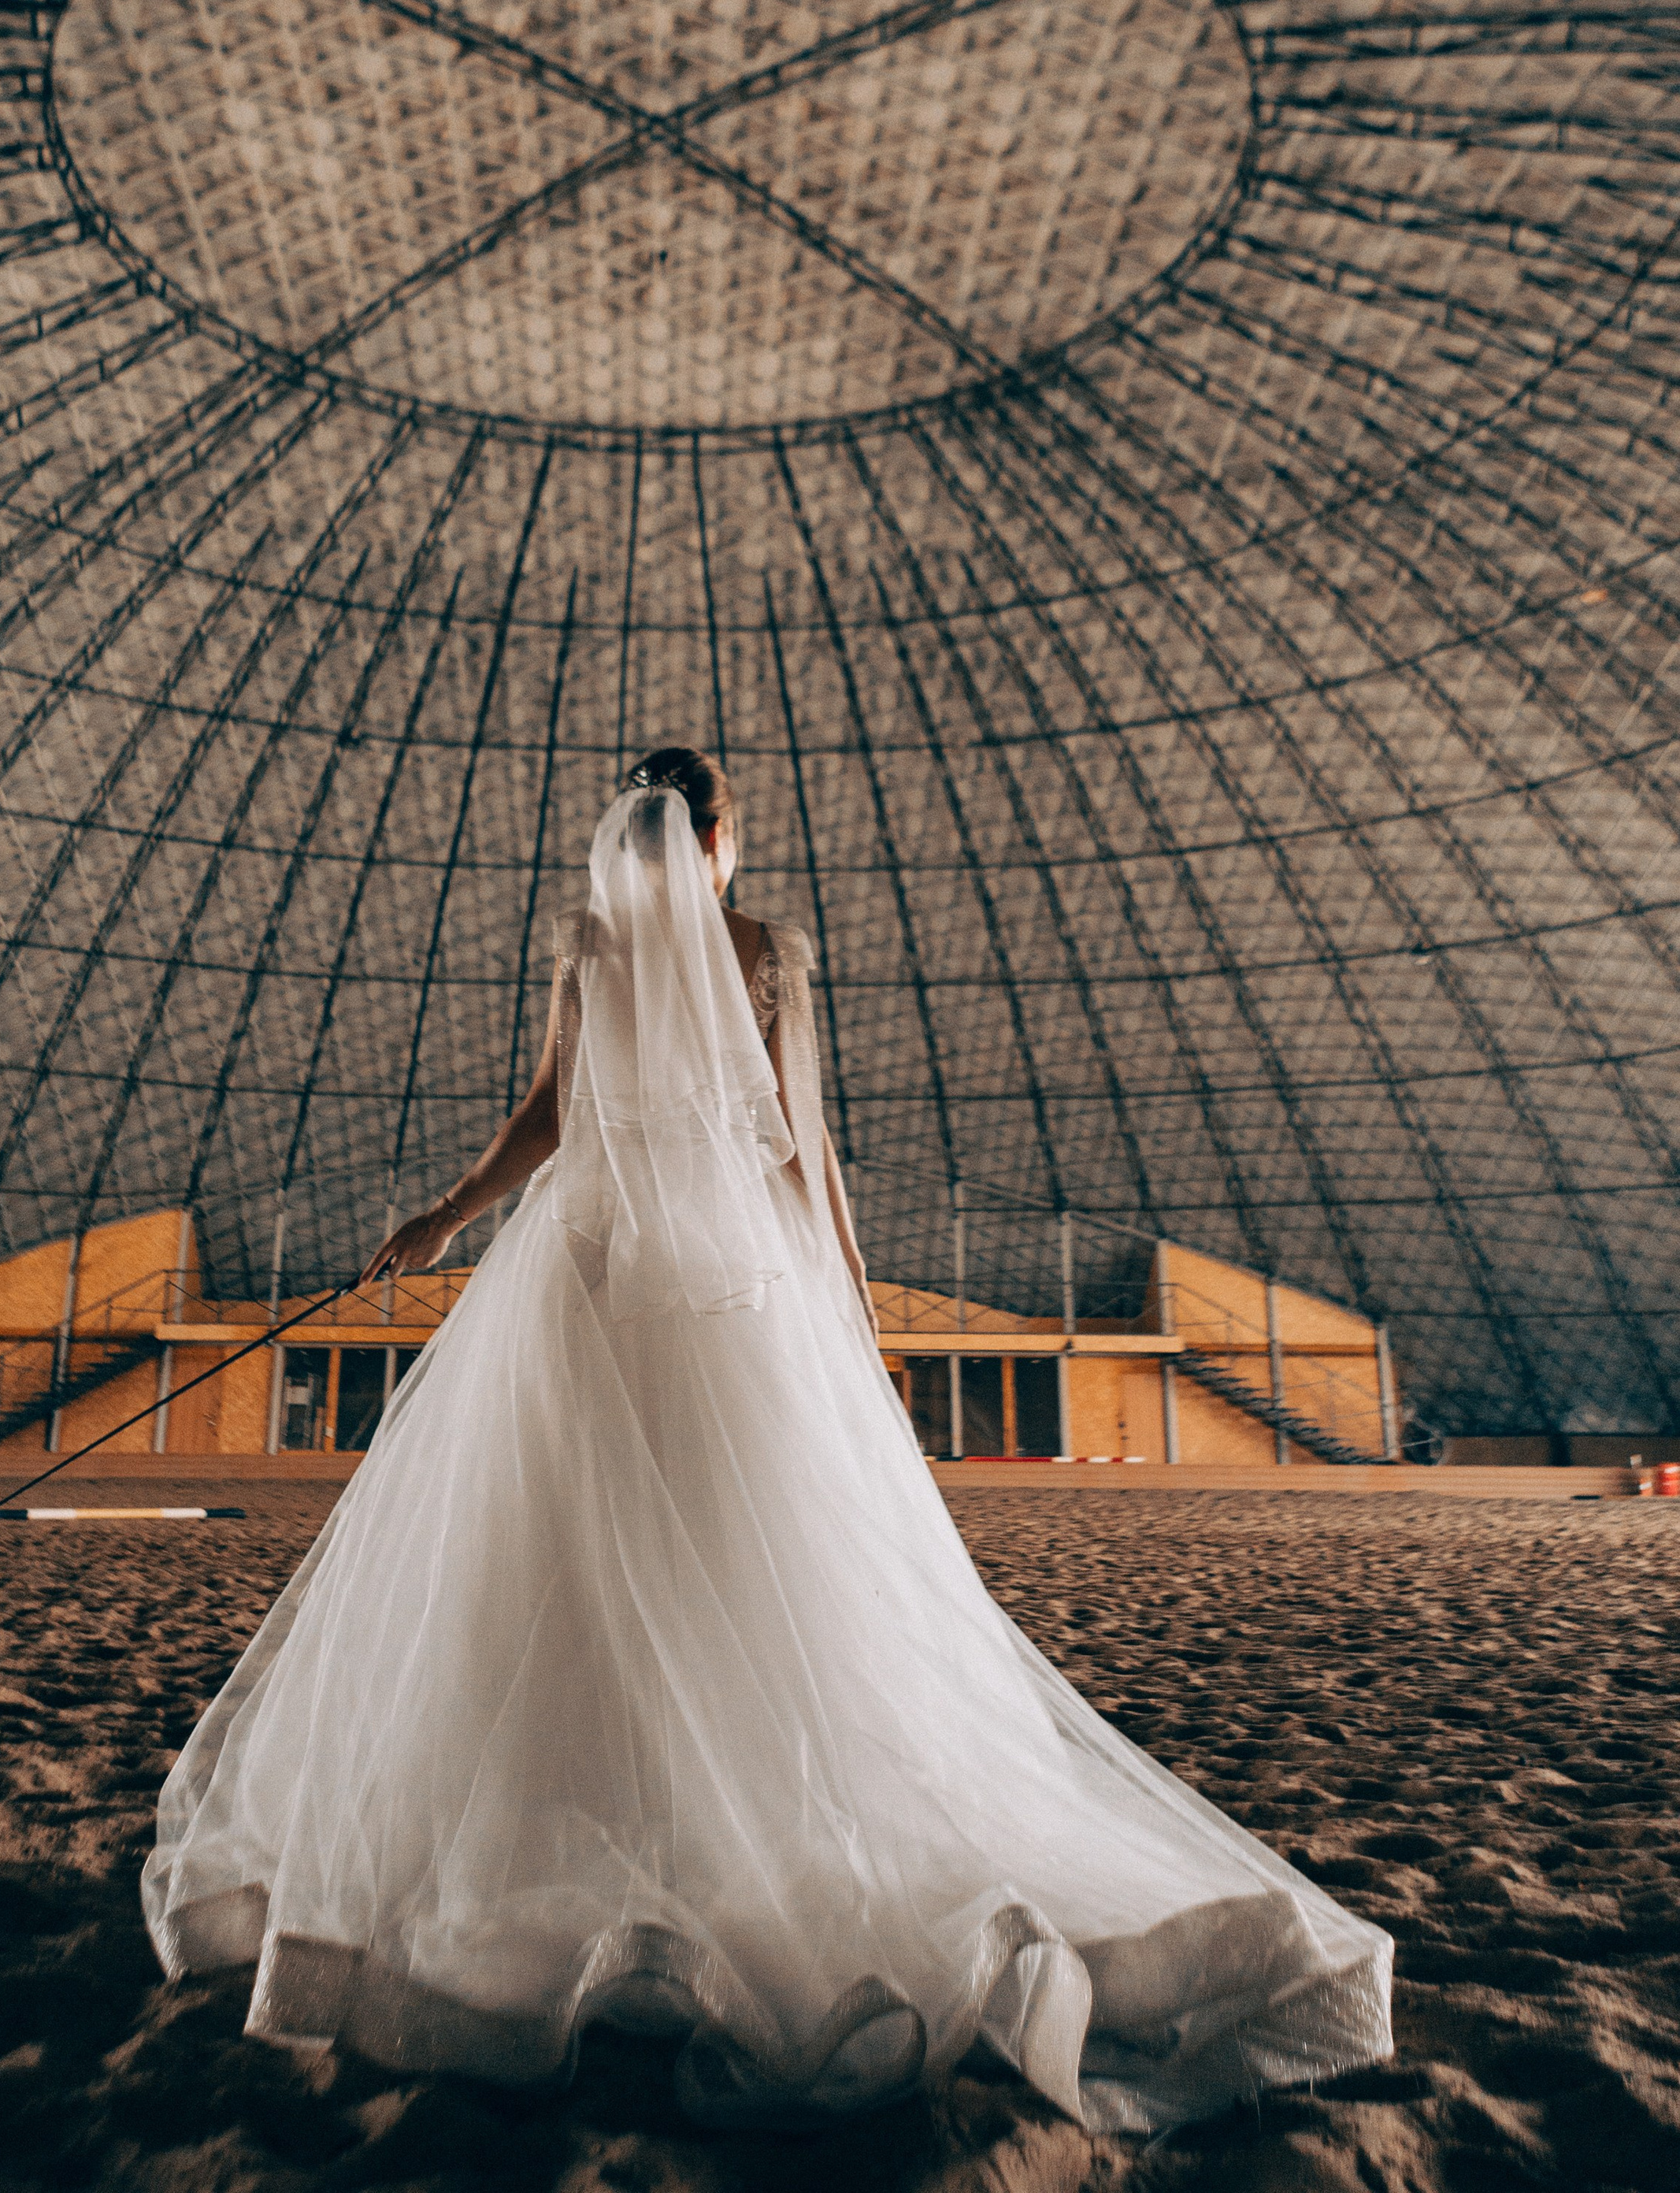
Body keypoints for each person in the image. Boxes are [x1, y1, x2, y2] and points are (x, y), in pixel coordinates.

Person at [143, 749, 1392, 2131]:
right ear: (722, 836)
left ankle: (560, 1832)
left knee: (558, 1553)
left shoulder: (593, 940)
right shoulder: (765, 952)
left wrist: (446, 1215)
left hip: (592, 1270)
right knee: (760, 1558)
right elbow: (807, 1146)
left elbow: (550, 1115)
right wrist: (850, 1303)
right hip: (738, 1278)